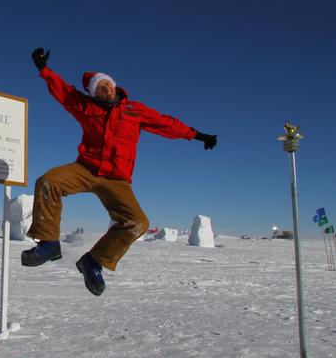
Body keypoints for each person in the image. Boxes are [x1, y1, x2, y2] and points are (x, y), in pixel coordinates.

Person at [22, 48, 217, 296]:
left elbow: (166, 123)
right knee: (48, 181)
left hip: (117, 179)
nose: (105, 89)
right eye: (99, 87)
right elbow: (64, 92)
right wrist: (44, 70)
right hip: (86, 168)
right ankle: (49, 243)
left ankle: (93, 262)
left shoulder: (134, 110)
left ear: (114, 85)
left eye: (107, 84)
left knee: (137, 222)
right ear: (94, 93)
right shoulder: (85, 107)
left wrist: (197, 135)